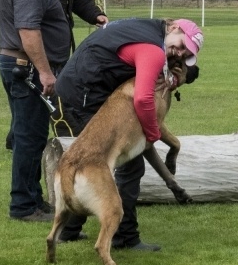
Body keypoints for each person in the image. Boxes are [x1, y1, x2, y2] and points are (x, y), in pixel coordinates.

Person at [54, 17, 203, 250]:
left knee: (90, 161)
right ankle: (125, 238)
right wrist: (152, 134)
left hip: (80, 86)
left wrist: (174, 78)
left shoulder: (150, 29)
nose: (179, 53)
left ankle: (69, 230)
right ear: (175, 28)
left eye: (185, 54)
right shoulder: (153, 48)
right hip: (84, 94)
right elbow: (143, 99)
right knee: (128, 167)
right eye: (181, 45)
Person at [5, 0, 108, 148]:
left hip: (59, 45)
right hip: (44, 48)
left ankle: (18, 139)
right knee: (55, 100)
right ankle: (68, 139)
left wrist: (94, 14)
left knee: (32, 109)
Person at [0, 0, 70, 222]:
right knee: (29, 136)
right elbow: (28, 29)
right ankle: (23, 206)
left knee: (32, 135)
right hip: (26, 66)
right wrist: (45, 71)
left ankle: (33, 200)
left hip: (17, 63)